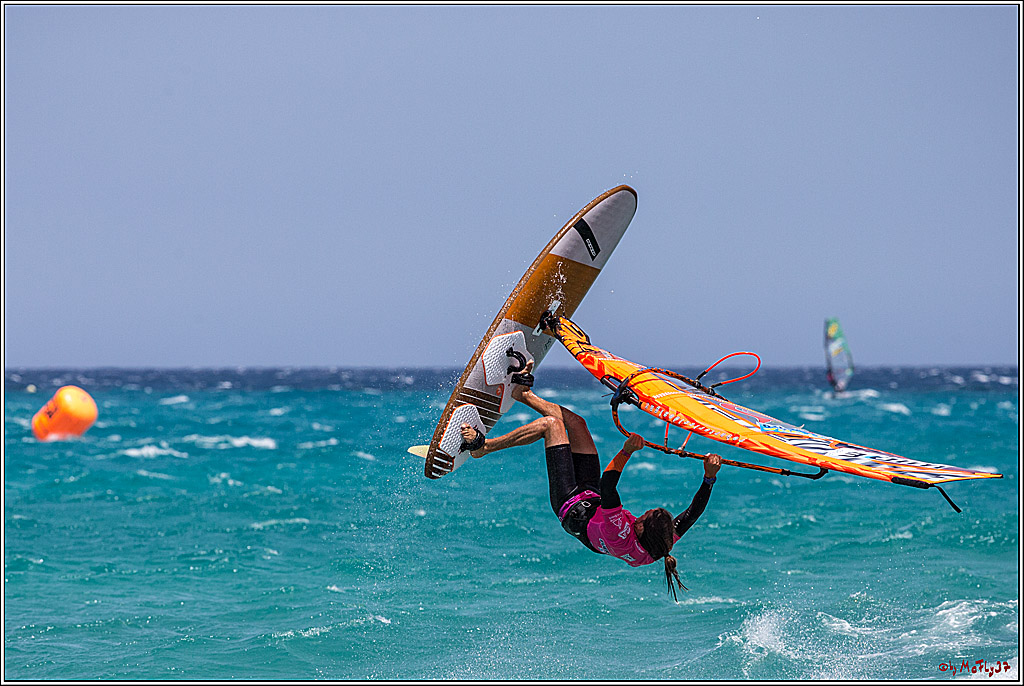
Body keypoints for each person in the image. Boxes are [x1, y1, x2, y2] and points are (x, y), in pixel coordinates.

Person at [460, 361, 721, 601]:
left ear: (640, 529)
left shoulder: (619, 532)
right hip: (591, 497)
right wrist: (709, 477)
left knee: (551, 426)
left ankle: (483, 447)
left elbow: (608, 483)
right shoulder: (659, 543)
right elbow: (691, 514)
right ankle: (523, 395)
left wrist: (627, 450)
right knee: (578, 424)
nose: (645, 512)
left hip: (570, 505)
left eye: (646, 515)